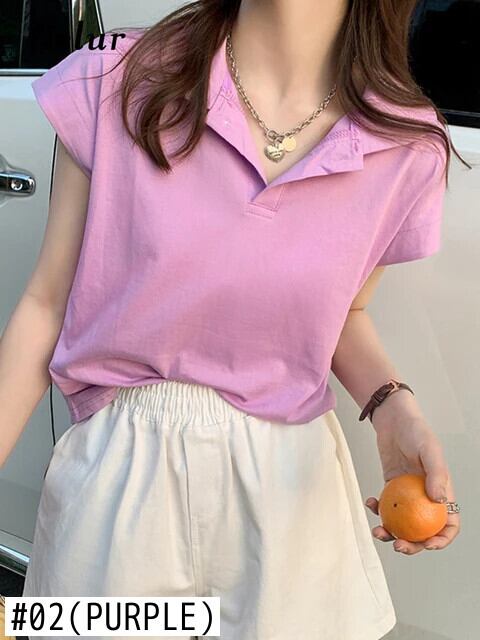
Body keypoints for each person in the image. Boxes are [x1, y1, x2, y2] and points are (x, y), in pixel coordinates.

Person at [0, 1, 462, 638]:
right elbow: (45, 304)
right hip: (119, 486)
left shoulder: (405, 144)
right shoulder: (118, 79)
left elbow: (343, 312)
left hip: (290, 495)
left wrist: (392, 407)